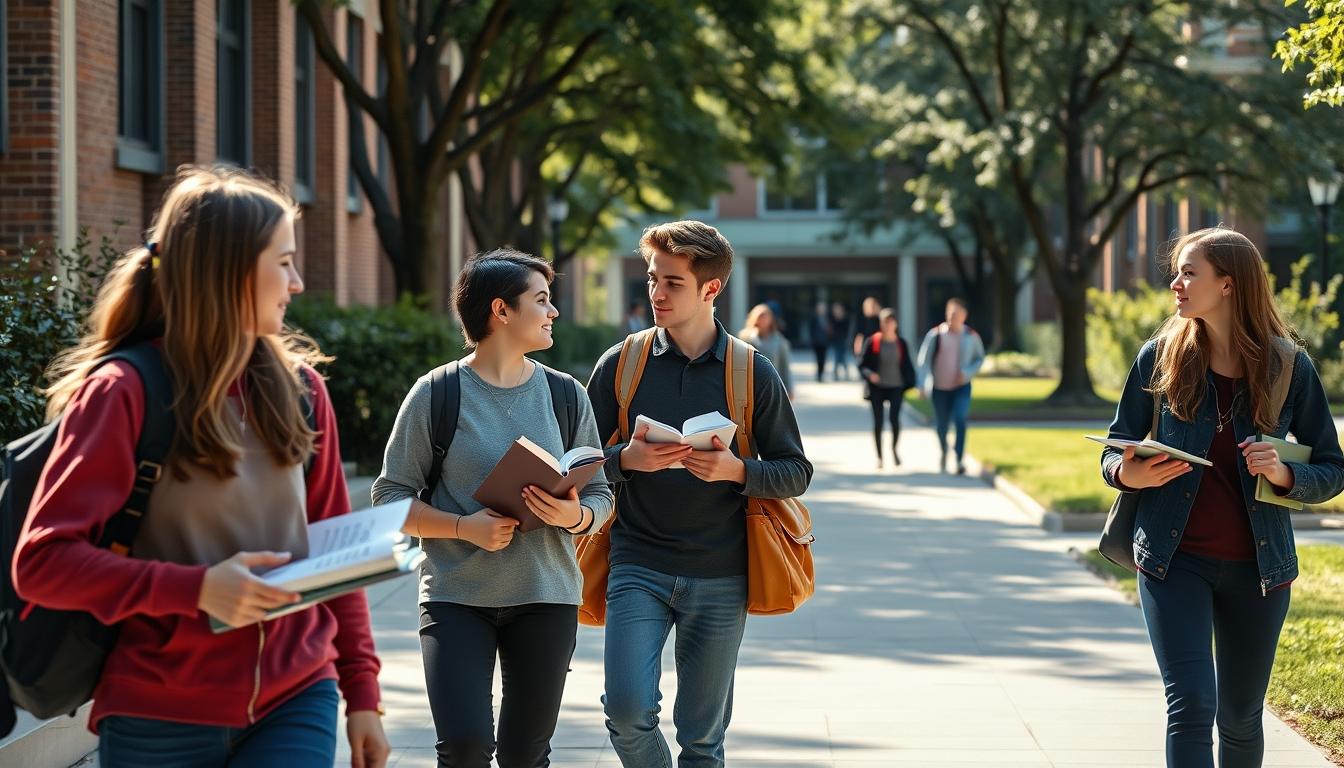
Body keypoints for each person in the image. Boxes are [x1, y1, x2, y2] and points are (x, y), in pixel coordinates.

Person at [12, 166, 390, 767]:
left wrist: (362, 694)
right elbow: (42, 563)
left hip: (297, 696)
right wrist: (199, 590)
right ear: (227, 271)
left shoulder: (303, 392)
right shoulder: (123, 392)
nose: (296, 282)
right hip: (157, 710)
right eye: (284, 262)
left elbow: (330, 548)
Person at [1100, 227, 1344, 768]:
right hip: (1171, 560)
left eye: (1190, 272)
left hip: (1260, 568)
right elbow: (1114, 450)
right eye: (1178, 272)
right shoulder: (1159, 357)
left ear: (1229, 285)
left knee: (1239, 716)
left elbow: (1333, 468)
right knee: (1190, 704)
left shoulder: (1288, 367)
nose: (1176, 283)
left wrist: (1284, 475)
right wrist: (1127, 474)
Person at [371, 249, 614, 768]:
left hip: (546, 594)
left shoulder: (566, 395)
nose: (553, 312)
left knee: (526, 755)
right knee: (463, 747)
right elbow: (389, 497)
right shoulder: (436, 394)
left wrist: (572, 517)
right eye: (542, 300)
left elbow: (600, 495)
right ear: (501, 311)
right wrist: (463, 527)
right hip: (456, 595)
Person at [586, 220, 813, 768]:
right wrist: (625, 460)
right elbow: (577, 465)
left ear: (711, 290)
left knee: (702, 738)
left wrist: (738, 471)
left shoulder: (751, 372)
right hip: (636, 564)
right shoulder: (620, 365)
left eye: (672, 283)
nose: (656, 294)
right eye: (651, 279)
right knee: (626, 711)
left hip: (721, 573)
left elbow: (796, 470)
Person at [916, 297, 985, 474]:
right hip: (939, 388)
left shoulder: (971, 336)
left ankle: (959, 459)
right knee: (941, 425)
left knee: (960, 419)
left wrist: (967, 372)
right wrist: (922, 385)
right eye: (950, 313)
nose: (952, 317)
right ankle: (944, 450)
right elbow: (923, 362)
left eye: (956, 314)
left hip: (962, 387)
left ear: (964, 316)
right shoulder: (936, 334)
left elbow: (979, 359)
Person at [858, 308, 915, 469]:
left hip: (896, 386)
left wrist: (911, 383)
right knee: (878, 422)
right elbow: (862, 365)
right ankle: (880, 457)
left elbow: (908, 365)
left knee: (895, 420)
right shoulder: (873, 341)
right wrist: (870, 375)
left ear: (895, 323)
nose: (888, 325)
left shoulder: (901, 343)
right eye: (885, 322)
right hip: (877, 387)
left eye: (891, 322)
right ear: (881, 324)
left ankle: (894, 449)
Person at [739, 303, 794, 399]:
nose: (763, 319)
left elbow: (784, 366)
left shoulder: (779, 342)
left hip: (772, 387)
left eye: (766, 316)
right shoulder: (745, 339)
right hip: (750, 387)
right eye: (760, 316)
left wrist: (789, 389)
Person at [807, 302, 831, 382]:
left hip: (824, 342)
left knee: (823, 359)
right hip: (817, 342)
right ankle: (819, 375)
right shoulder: (814, 318)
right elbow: (811, 331)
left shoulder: (827, 318)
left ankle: (821, 374)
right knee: (818, 359)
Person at [829, 302, 852, 381]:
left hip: (842, 340)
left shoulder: (845, 318)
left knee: (842, 357)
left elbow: (846, 330)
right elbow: (831, 330)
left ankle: (844, 373)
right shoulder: (832, 319)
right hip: (835, 341)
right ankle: (836, 374)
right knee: (837, 357)